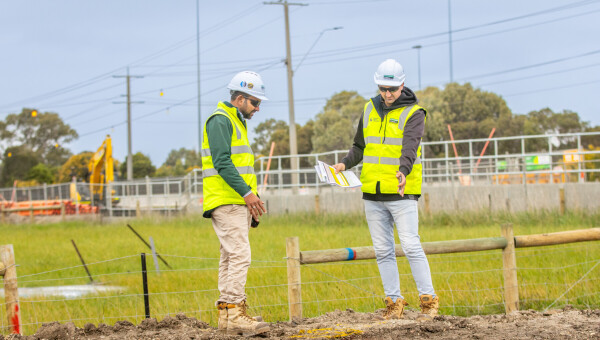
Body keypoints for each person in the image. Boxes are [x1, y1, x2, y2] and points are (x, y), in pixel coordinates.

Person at [333, 59, 439, 321]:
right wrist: (343, 164)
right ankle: (394, 302)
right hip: (372, 192)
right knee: (383, 251)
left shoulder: (414, 113)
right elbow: (359, 146)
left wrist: (403, 170)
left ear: (402, 85)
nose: (388, 94)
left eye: (392, 89)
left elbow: (410, 148)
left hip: (401, 192)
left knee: (411, 245)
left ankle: (428, 301)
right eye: (383, 88)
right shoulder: (369, 108)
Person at [201, 71, 270, 336]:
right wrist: (247, 194)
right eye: (255, 102)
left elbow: (239, 166)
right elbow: (222, 162)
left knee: (230, 257)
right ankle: (236, 312)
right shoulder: (221, 120)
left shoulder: (234, 121)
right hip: (227, 199)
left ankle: (229, 318)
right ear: (239, 98)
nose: (258, 108)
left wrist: (249, 201)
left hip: (234, 200)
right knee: (240, 255)